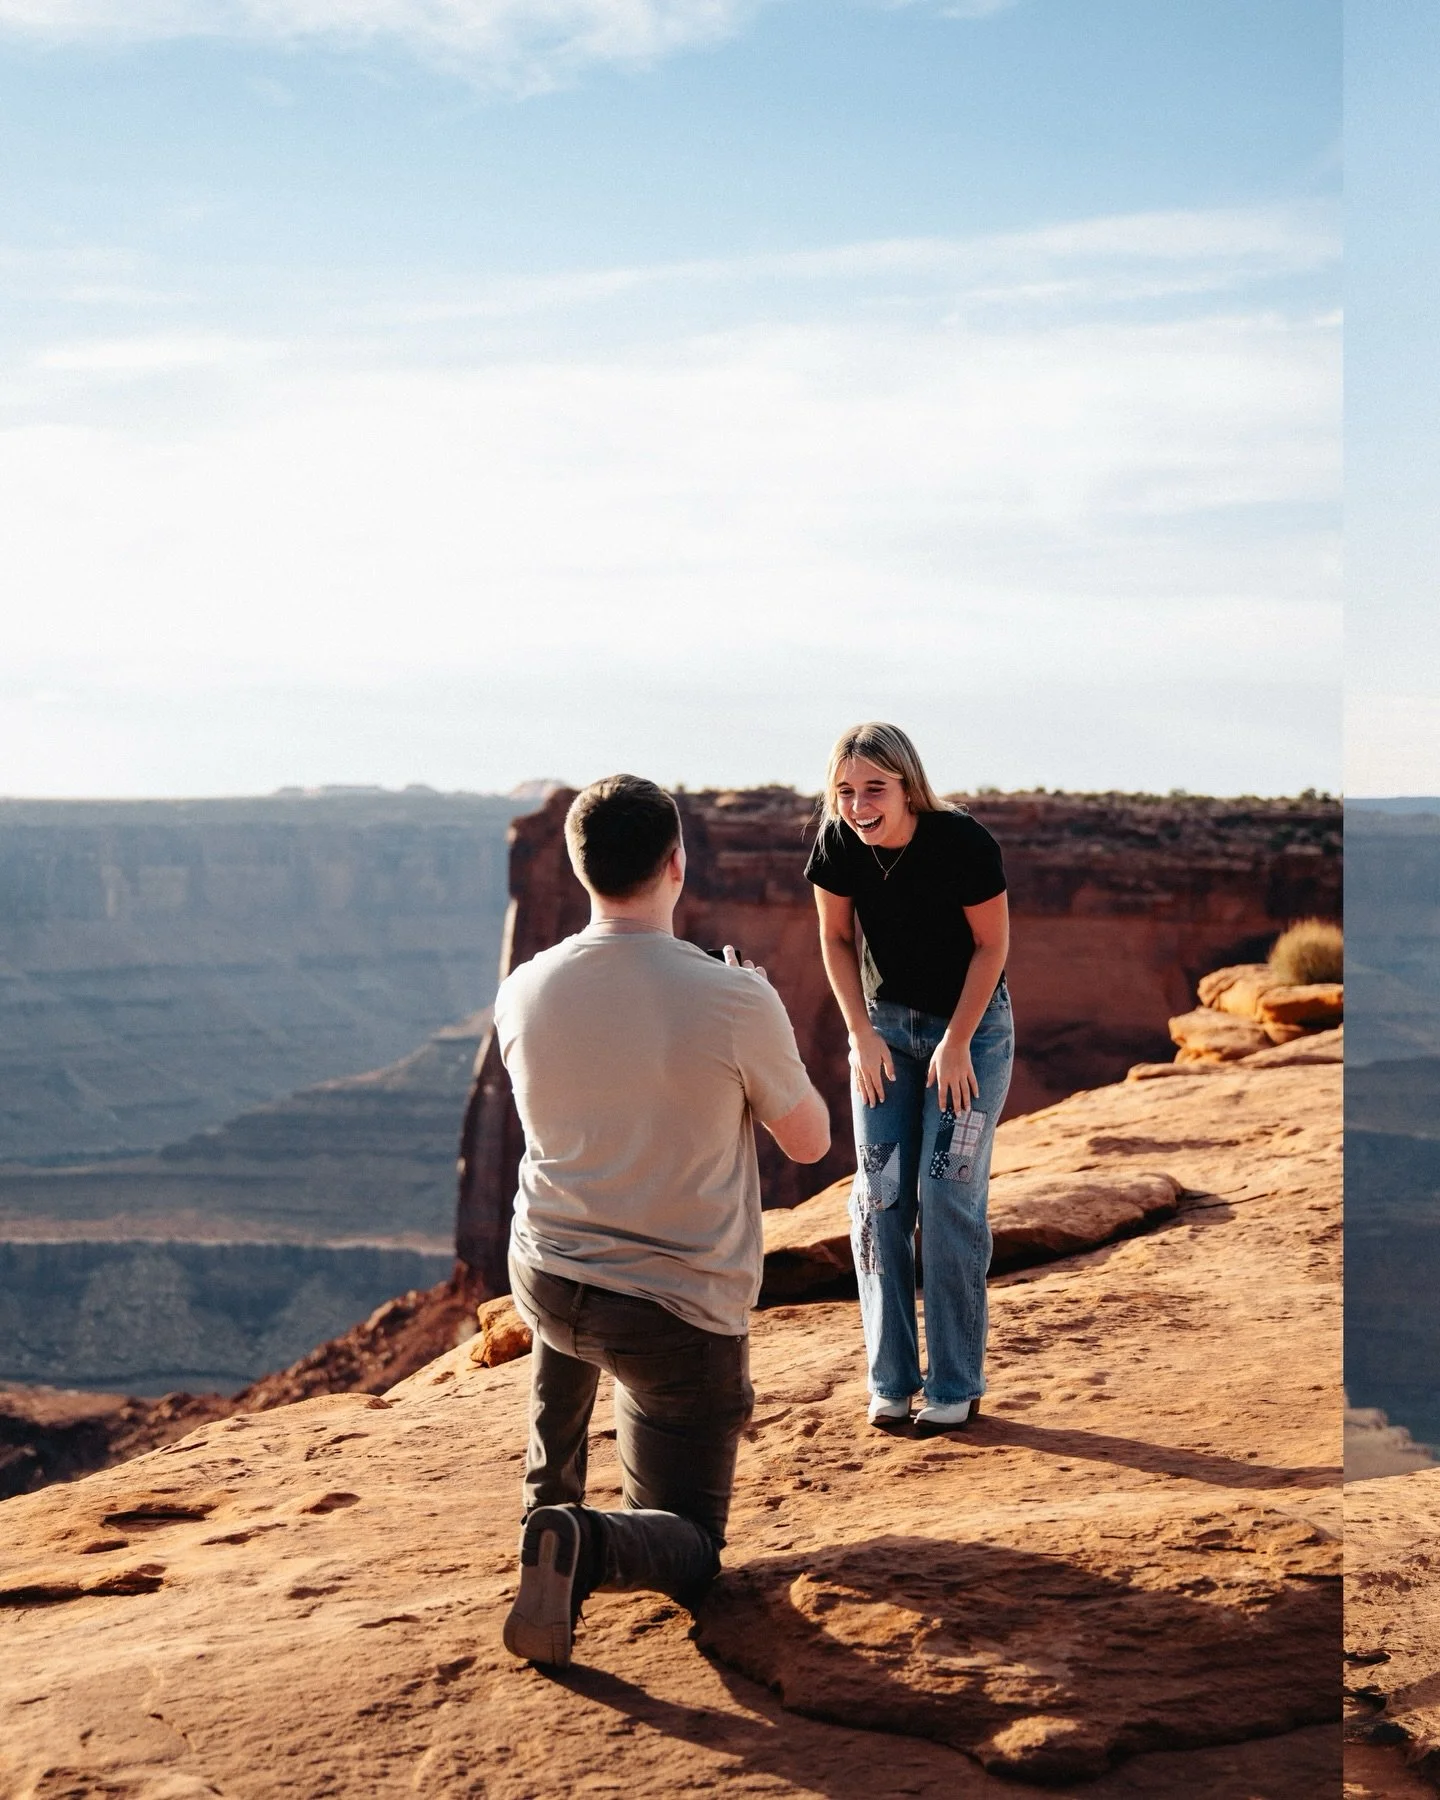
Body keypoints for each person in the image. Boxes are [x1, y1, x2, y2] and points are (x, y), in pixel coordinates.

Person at [498, 773, 831, 1668]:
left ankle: (544, 1506)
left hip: (546, 1278)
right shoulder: (733, 998)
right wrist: (759, 1016)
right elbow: (808, 1142)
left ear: (578, 869)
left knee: (572, 1268)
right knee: (691, 1541)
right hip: (671, 1319)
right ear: (676, 864)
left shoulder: (523, 988)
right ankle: (580, 1542)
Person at [805, 722, 1013, 1433]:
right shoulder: (838, 842)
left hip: (972, 1034)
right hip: (885, 1036)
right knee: (880, 1196)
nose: (858, 806)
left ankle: (955, 1384)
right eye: (844, 791)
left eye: (874, 789)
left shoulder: (961, 842)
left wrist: (958, 1041)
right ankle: (891, 1380)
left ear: (906, 786)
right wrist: (859, 1036)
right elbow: (836, 937)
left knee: (947, 1194)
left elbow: (992, 946)